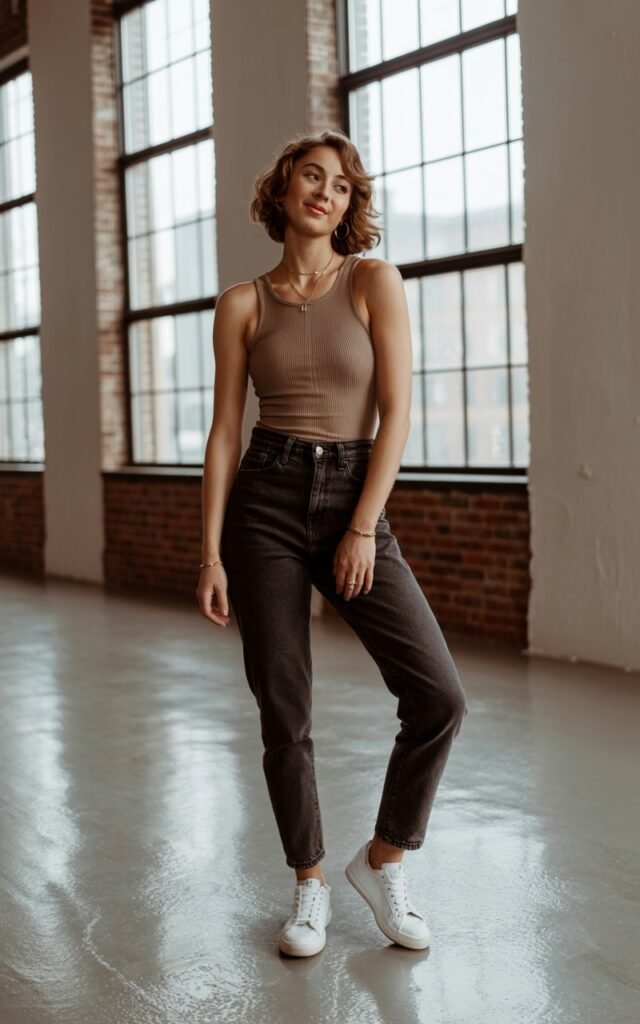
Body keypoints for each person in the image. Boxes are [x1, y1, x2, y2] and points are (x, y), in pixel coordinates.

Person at [197, 128, 468, 958]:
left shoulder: (373, 282)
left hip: (355, 496)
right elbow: (222, 433)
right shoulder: (243, 303)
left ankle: (382, 859)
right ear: (282, 191)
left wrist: (360, 526)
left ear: (351, 206)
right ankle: (308, 883)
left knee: (438, 697)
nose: (327, 192)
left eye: (344, 186)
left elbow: (397, 415)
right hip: (267, 501)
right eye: (313, 178)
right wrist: (209, 553)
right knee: (286, 710)